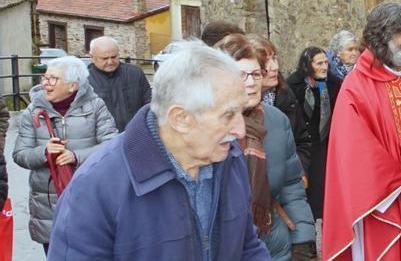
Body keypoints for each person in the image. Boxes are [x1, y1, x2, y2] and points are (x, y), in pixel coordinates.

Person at [47, 42, 270, 260]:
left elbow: (247, 246)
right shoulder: (95, 186)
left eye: (242, 112)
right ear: (180, 119)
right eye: (228, 115)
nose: (240, 131)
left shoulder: (230, 158)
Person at [323, 2, 401, 260]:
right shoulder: (356, 86)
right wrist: (399, 183)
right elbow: (355, 148)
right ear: (382, 37)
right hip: (384, 202)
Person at [215, 34, 317, 261]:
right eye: (241, 75)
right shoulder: (208, 125)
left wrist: (303, 243)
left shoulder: (276, 121)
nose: (251, 83)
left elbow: (292, 185)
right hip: (225, 247)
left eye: (255, 74)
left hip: (274, 243)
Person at [14, 55, 117, 255]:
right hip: (48, 203)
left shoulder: (95, 107)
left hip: (89, 195)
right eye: (45, 77)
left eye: (53, 79)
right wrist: (44, 152)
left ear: (72, 85)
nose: (46, 83)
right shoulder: (33, 110)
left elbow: (111, 145)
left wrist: (76, 156)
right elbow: (20, 154)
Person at [288, 47, 340, 220]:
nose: (324, 66)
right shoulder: (293, 85)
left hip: (324, 143)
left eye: (326, 62)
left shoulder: (333, 84)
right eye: (319, 63)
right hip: (302, 144)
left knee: (322, 188)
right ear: (308, 65)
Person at [86, 35, 153, 131]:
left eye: (114, 57)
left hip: (136, 133)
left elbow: (149, 104)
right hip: (103, 139)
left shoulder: (134, 73)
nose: (110, 62)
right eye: (104, 58)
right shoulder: (85, 80)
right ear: (92, 58)